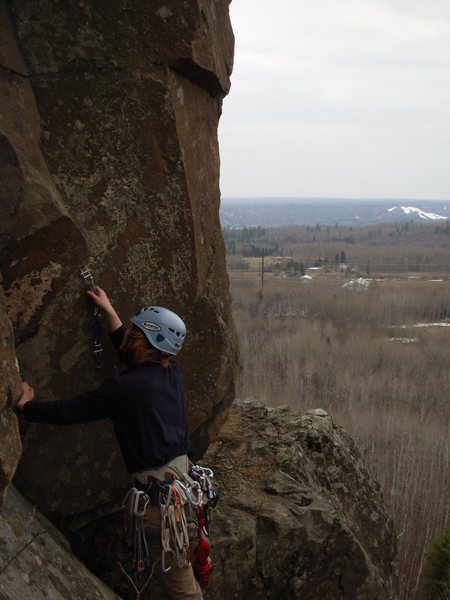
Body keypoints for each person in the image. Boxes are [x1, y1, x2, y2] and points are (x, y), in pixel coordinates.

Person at [17, 286, 204, 600]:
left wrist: (28, 407)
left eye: (135, 331)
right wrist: (111, 313)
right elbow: (137, 362)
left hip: (161, 508)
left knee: (183, 592)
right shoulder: (171, 374)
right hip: (184, 495)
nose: (129, 333)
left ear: (145, 340)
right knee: (185, 581)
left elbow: (74, 409)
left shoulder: (124, 388)